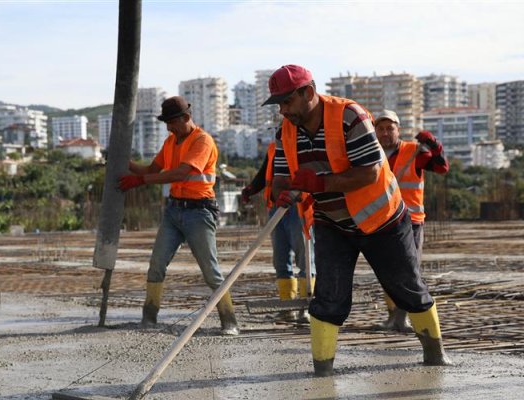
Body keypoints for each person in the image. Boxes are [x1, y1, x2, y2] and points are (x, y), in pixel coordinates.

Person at [262, 65, 451, 376]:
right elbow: (282, 176)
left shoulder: (350, 116)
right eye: (279, 104)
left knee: (407, 289)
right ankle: (322, 371)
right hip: (332, 223)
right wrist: (282, 193)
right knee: (328, 298)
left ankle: (435, 354)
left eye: (287, 102)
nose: (283, 110)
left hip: (382, 221)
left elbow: (370, 173)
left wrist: (319, 184)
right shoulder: (286, 129)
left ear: (308, 93)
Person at [118, 96, 239, 335]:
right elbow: (152, 170)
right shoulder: (170, 142)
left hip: (199, 212)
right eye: (166, 123)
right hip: (174, 211)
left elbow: (182, 173)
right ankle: (149, 318)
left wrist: (140, 181)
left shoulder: (202, 141)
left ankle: (230, 321)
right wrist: (125, 163)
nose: (169, 127)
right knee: (156, 264)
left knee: (210, 269)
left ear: (186, 118)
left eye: (172, 122)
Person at [374, 110, 449, 332]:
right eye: (381, 128)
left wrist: (434, 144)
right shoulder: (370, 153)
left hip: (411, 221)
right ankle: (392, 317)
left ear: (399, 129)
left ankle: (402, 318)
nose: (385, 133)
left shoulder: (412, 152)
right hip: (381, 221)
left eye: (390, 128)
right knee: (386, 271)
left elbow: (441, 167)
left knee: (408, 271)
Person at [241, 142, 315, 321]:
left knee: (304, 257)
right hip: (276, 206)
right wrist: (251, 188)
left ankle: (307, 307)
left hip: (298, 205)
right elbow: (265, 171)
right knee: (281, 259)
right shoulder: (275, 146)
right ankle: (287, 307)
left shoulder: (304, 142)